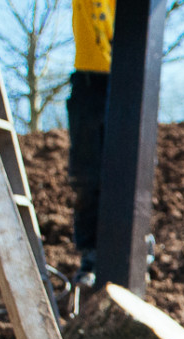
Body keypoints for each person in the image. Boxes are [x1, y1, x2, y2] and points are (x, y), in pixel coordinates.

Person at [67, 0, 116, 284]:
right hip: (88, 80)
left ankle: (134, 239)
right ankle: (91, 255)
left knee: (128, 169)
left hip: (126, 79)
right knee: (86, 174)